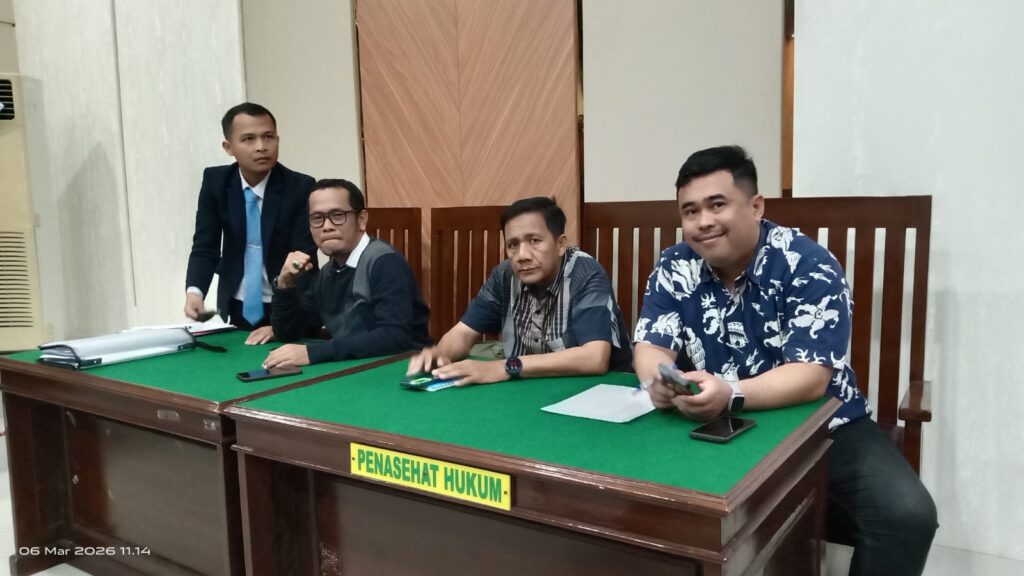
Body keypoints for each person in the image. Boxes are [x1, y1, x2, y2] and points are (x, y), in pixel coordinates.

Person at [633, 145, 937, 575]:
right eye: (690, 211)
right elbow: (650, 346)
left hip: (823, 428)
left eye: (717, 205)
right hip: (710, 427)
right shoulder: (675, 265)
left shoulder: (807, 263)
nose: (703, 222)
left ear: (756, 206)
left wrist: (731, 393)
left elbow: (811, 376)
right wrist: (657, 381)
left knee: (906, 516)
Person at [408, 196, 632, 385]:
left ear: (560, 244)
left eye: (534, 240)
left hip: (598, 391)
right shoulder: (505, 275)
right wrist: (439, 354)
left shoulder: (586, 274)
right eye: (513, 244)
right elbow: (464, 333)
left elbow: (594, 358)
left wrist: (505, 367)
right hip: (529, 389)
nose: (522, 255)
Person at [184, 102, 317, 345]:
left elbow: (304, 257)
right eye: (248, 139)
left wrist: (283, 322)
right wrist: (195, 292)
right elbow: (205, 246)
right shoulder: (216, 182)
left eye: (268, 137)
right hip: (235, 309)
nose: (261, 146)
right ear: (228, 147)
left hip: (285, 305)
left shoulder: (301, 187)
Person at [262, 179, 430, 368]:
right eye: (317, 218)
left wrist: (315, 352)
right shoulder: (328, 272)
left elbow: (395, 336)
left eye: (337, 215)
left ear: (362, 220)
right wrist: (285, 284)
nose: (327, 226)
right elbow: (290, 333)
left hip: (401, 367)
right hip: (354, 368)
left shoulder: (385, 262)